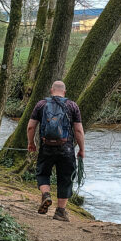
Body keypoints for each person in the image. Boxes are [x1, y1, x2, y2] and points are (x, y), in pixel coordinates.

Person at [26, 80, 85, 222]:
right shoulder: (72, 106)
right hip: (66, 148)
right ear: (64, 92)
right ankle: (60, 211)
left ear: (51, 90)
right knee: (65, 178)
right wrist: (82, 149)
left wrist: (31, 143)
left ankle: (46, 195)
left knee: (43, 172)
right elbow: (78, 130)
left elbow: (30, 127)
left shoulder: (41, 104)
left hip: (46, 147)